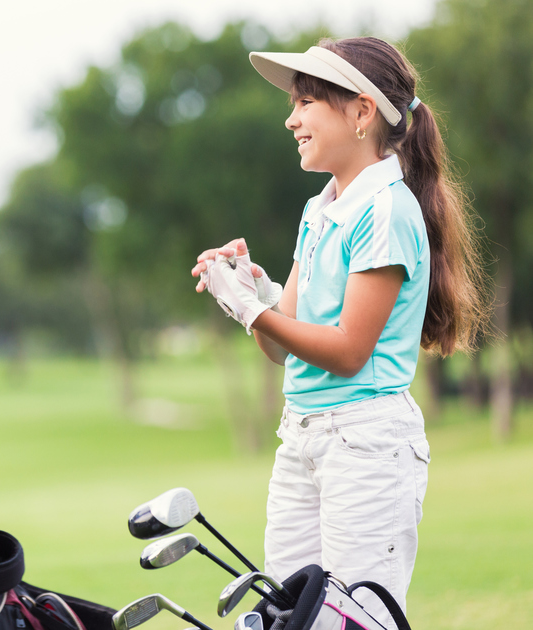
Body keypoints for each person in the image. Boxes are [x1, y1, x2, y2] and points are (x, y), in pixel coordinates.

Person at [190, 37, 489, 628]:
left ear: (361, 112)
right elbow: (280, 344)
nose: (290, 118)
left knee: (356, 620)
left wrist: (251, 311)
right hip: (301, 436)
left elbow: (350, 351)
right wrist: (256, 294)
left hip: (366, 446)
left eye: (306, 103)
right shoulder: (321, 209)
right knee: (289, 618)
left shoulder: (386, 209)